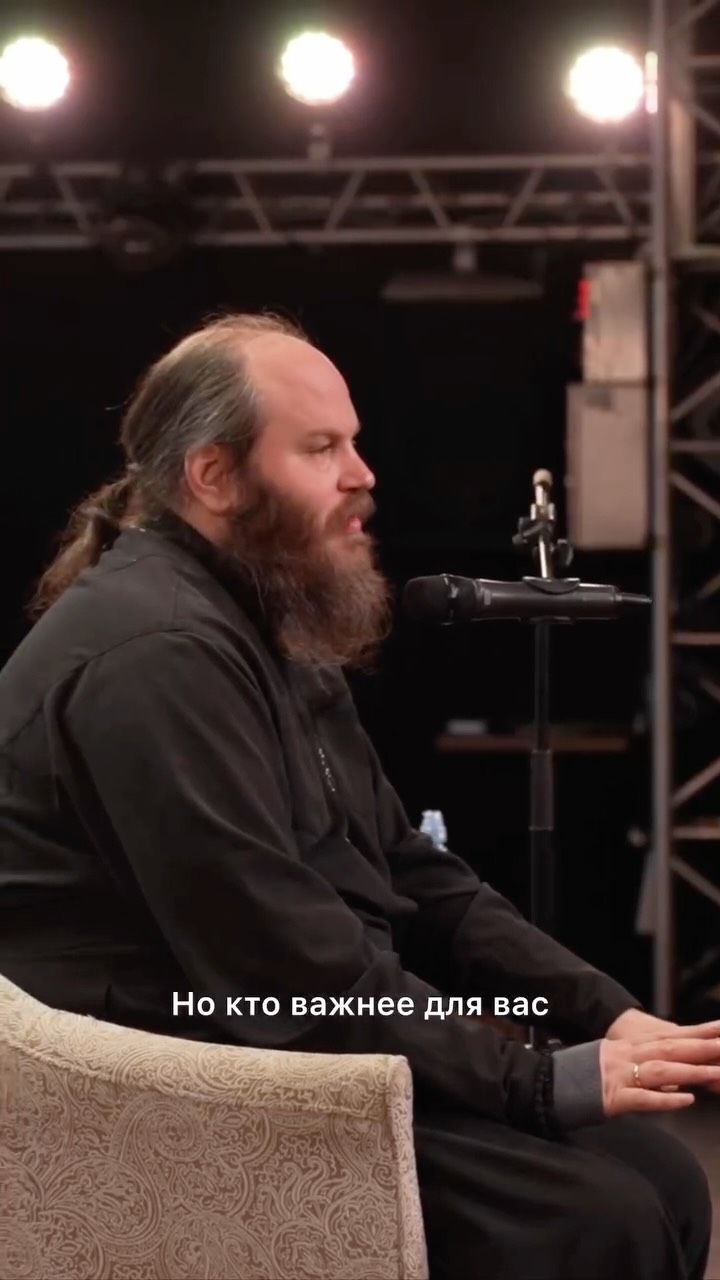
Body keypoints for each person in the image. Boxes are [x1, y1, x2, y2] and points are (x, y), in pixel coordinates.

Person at [0, 310, 716, 1279]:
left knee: (660, 1173)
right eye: (321, 447)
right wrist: (534, 1079)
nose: (363, 473)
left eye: (354, 441)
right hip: (169, 1061)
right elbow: (280, 962)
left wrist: (603, 1013)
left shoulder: (263, 625)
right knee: (594, 1215)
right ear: (214, 475)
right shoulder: (158, 654)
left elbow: (416, 873)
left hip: (273, 1028)